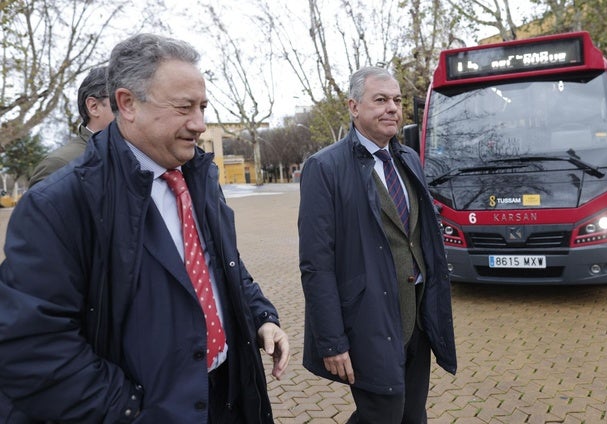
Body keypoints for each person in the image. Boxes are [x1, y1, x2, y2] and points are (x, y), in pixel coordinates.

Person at [0, 33, 290, 423]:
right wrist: (129, 410)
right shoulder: (58, 203)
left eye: (203, 107)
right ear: (127, 103)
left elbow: (223, 265)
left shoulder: (199, 179)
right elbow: (32, 346)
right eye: (185, 107)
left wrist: (260, 317)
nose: (200, 124)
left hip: (228, 397)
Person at [298, 66, 457, 423]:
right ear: (354, 107)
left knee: (412, 414)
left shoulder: (408, 159)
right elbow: (316, 264)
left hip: (417, 321)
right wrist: (332, 340)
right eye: (380, 100)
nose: (392, 109)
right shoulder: (324, 168)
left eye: (397, 101)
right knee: (381, 413)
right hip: (367, 322)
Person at [28, 66, 114, 187]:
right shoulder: (60, 166)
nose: (133, 109)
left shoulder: (138, 157)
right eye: (124, 99)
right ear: (94, 106)